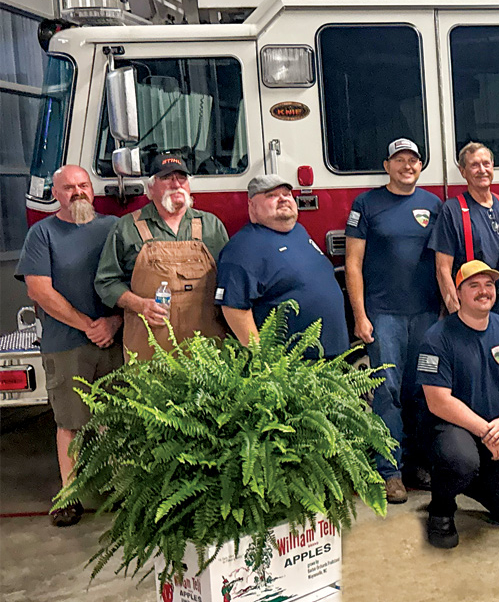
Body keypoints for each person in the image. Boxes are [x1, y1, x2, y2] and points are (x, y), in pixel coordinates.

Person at [15, 165, 122, 527]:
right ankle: (69, 495)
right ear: (55, 194)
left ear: (93, 190)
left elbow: (134, 279)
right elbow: (39, 290)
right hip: (66, 343)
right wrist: (88, 325)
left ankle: (126, 489)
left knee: (122, 419)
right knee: (70, 423)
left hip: (116, 339)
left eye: (83, 185)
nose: (77, 192)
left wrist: (114, 322)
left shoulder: (114, 229)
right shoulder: (41, 234)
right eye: (68, 188)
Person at [345, 137, 443, 503]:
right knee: (386, 394)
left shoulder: (433, 205)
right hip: (383, 315)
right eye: (399, 160)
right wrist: (360, 314)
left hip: (427, 315)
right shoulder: (366, 204)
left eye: (413, 160)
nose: (407, 165)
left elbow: (442, 262)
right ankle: (389, 471)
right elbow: (352, 264)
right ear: (386, 166)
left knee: (422, 392)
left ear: (421, 166)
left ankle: (418, 464)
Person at [417, 261, 499, 549]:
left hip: (497, 427)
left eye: (489, 285)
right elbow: (438, 401)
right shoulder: (437, 337)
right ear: (458, 293)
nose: (484, 291)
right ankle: (441, 508)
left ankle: (464, 480)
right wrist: (486, 431)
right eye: (474, 285)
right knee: (460, 461)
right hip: (451, 428)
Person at [94, 153, 229, 359]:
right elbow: (106, 282)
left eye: (182, 178)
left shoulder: (211, 226)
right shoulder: (127, 228)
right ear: (150, 188)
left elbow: (229, 281)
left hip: (207, 350)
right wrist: (140, 305)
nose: (176, 184)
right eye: (166, 178)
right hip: (150, 347)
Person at [215, 175, 349, 358]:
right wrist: (261, 359)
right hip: (291, 367)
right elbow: (234, 308)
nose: (283, 199)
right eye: (272, 195)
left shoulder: (299, 231)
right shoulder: (242, 249)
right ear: (252, 206)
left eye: (287, 194)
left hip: (333, 357)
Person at [430, 143, 499, 319]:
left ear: (493, 167)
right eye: (474, 165)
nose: (482, 170)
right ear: (463, 172)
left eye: (486, 163)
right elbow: (442, 269)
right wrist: (457, 314)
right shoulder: (452, 211)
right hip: (470, 308)